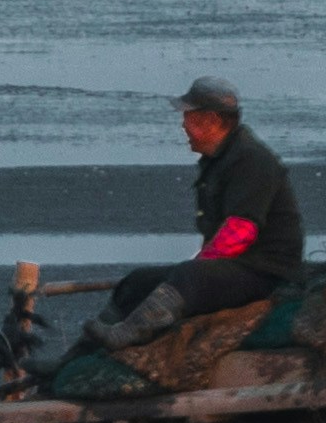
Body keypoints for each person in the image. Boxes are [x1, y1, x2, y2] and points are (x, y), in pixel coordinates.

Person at [96, 79, 305, 343]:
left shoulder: (251, 159)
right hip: (236, 267)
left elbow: (240, 232)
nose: (183, 125)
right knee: (137, 282)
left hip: (265, 272)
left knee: (190, 275)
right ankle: (84, 348)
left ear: (212, 120)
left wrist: (195, 270)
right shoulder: (219, 160)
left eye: (189, 117)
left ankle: (126, 336)